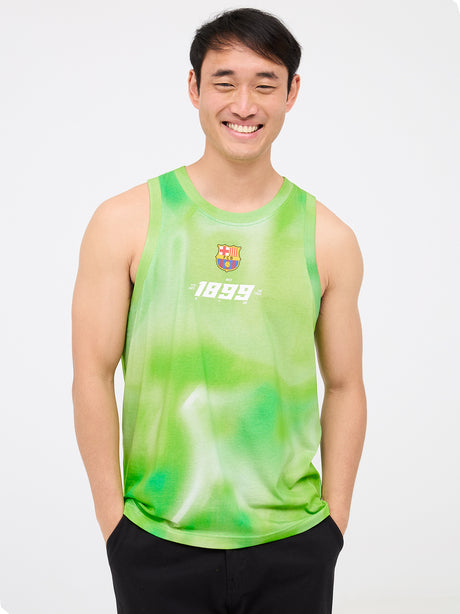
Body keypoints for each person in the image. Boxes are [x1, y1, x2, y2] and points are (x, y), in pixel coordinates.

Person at [72, 7, 367, 614]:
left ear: (292, 93)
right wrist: (115, 526)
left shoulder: (328, 238)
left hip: (293, 543)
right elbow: (92, 374)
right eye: (225, 82)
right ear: (194, 88)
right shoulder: (125, 221)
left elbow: (345, 384)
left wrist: (333, 525)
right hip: (155, 539)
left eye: (265, 84)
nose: (244, 104)